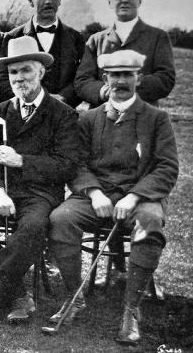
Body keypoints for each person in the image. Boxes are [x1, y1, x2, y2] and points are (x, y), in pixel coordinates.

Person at [48, 50, 178, 346]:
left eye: (127, 75)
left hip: (140, 198)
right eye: (114, 75)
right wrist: (94, 193)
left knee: (151, 220)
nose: (120, 81)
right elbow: (76, 163)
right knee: (60, 218)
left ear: (139, 79)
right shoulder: (89, 118)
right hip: (97, 196)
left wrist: (133, 197)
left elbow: (167, 167)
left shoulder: (157, 119)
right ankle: (74, 296)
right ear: (105, 79)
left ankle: (131, 310)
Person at [0, 36, 81, 323]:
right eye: (13, 72)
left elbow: (67, 165)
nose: (19, 78)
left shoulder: (63, 115)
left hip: (40, 193)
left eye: (25, 70)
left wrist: (22, 161)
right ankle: (18, 293)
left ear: (41, 72)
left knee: (34, 226)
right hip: (1, 189)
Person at [74, 0, 175, 108]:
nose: (125, 1)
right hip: (102, 118)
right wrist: (103, 91)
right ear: (109, 1)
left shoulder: (158, 37)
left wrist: (127, 86)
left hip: (143, 117)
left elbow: (165, 79)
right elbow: (82, 81)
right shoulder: (96, 40)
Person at [0, 0, 85, 107]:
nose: (48, 1)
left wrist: (63, 98)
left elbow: (80, 79)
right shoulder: (13, 37)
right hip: (24, 110)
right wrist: (30, 98)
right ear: (31, 1)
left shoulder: (76, 38)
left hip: (63, 111)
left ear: (60, 0)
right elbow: (2, 79)